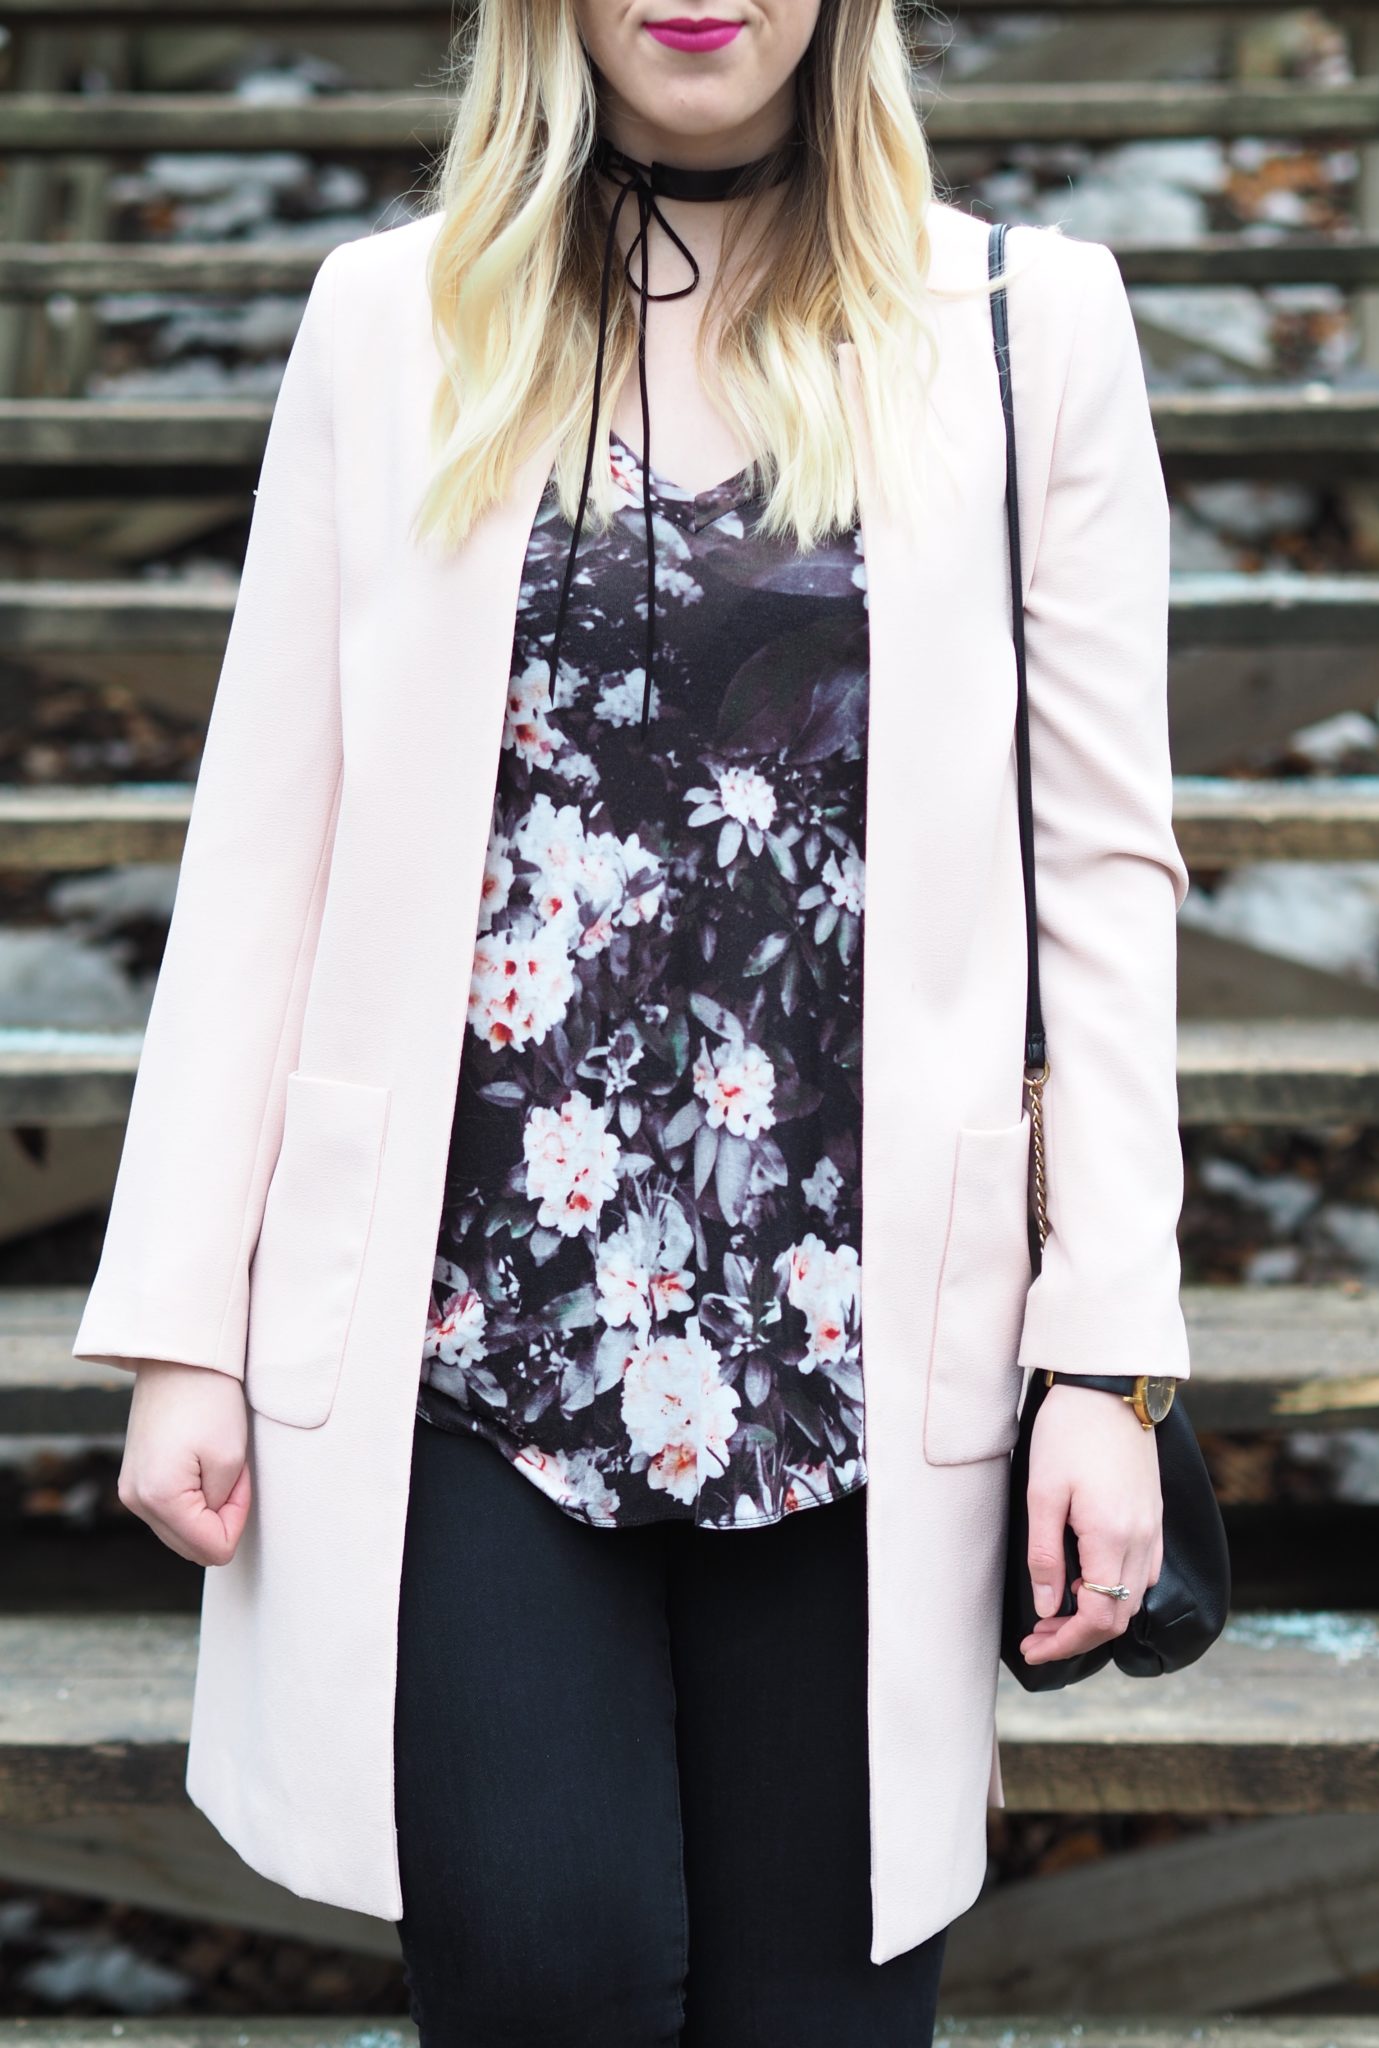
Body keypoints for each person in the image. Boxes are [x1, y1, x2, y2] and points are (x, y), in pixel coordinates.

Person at [77, 3, 1190, 2043]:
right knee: (540, 1977)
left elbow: (1098, 881)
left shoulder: (1032, 329)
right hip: (470, 1341)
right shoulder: (386, 323)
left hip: (868, 1359)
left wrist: (1104, 1362)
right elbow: (265, 840)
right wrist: (179, 1331)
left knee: (815, 2019)